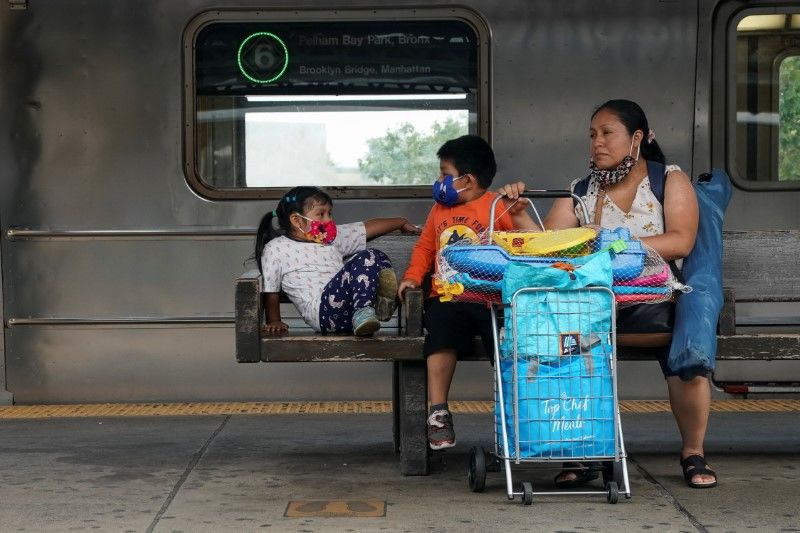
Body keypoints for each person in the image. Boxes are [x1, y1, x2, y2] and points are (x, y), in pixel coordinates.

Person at [501, 99, 716, 489]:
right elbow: (549, 248)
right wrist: (518, 214)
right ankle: (580, 450)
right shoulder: (580, 190)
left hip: (654, 301)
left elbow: (681, 241)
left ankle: (693, 452)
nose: (596, 142)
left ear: (636, 139)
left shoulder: (668, 179)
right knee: (564, 348)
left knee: (686, 359)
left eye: (606, 133)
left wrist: (610, 246)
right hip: (594, 304)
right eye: (592, 134)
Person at [398, 134, 537, 450]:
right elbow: (425, 248)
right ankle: (438, 412)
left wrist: (520, 214)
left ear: (467, 180)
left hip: (490, 299)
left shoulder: (498, 207)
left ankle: (515, 411)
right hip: (448, 297)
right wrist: (412, 278)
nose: (438, 181)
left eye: (444, 174)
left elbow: (533, 245)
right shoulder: (438, 209)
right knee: (441, 333)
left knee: (504, 342)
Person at [255, 186, 418, 337]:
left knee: (377, 256)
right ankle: (364, 310)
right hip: (323, 313)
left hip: (350, 313)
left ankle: (380, 306)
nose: (328, 220)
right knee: (367, 257)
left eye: (329, 213)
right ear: (297, 220)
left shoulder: (331, 238)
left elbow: (367, 228)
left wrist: (401, 222)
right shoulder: (276, 248)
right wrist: (273, 320)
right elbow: (271, 289)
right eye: (321, 214)